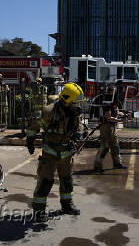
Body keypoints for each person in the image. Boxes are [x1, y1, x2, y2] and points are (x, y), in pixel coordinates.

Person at [26, 83, 86, 218]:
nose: (78, 105)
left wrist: (80, 133)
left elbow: (80, 124)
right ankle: (39, 210)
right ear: (67, 100)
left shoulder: (74, 112)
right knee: (45, 182)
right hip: (50, 153)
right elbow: (34, 125)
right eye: (75, 102)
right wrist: (29, 140)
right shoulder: (49, 111)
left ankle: (67, 205)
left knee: (67, 180)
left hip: (67, 153)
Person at [94, 86, 128, 173]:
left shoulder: (113, 101)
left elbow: (116, 112)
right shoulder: (107, 101)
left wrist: (125, 114)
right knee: (104, 147)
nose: (116, 93)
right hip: (106, 127)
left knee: (115, 145)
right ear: (110, 92)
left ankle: (117, 163)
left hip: (112, 127)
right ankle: (98, 166)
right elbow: (108, 117)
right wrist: (121, 120)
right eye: (114, 92)